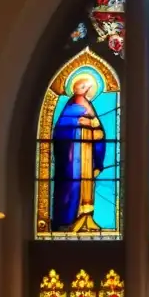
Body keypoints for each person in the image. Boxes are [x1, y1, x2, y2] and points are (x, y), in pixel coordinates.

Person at [51, 74, 106, 232]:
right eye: (82, 87)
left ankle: (85, 219)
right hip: (72, 155)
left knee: (86, 183)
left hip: (87, 154)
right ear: (75, 89)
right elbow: (61, 130)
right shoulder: (70, 107)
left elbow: (99, 132)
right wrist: (76, 123)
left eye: (87, 87)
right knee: (72, 183)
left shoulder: (88, 105)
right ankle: (68, 220)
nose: (85, 90)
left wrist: (91, 124)